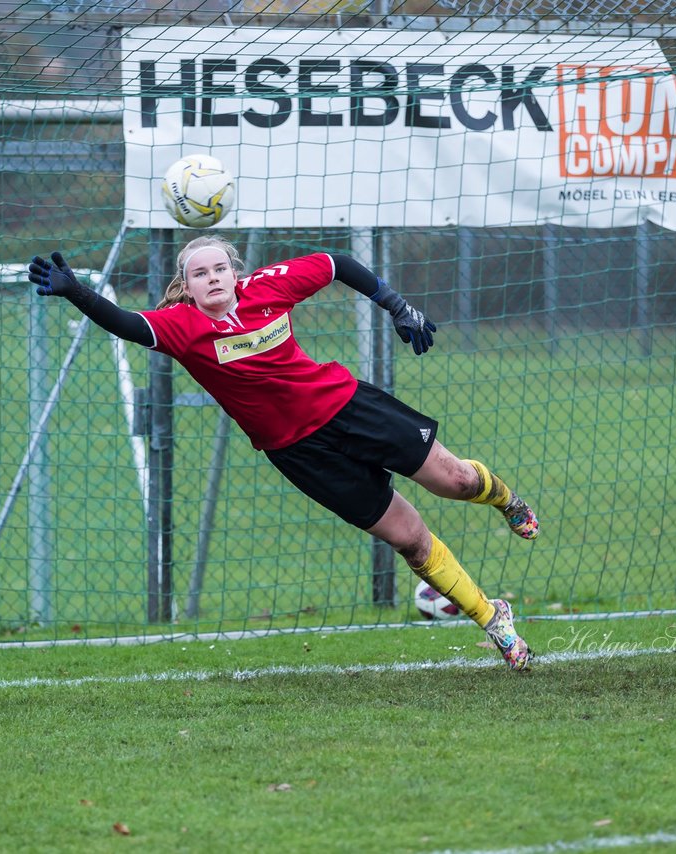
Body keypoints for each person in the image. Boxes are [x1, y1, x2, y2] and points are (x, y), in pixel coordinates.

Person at [27, 237, 541, 672]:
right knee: (409, 540)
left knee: (456, 482)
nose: (212, 278)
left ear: (235, 272)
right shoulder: (182, 327)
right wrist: (76, 292)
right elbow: (126, 323)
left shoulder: (267, 288)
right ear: (186, 286)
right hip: (299, 453)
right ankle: (492, 617)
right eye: (199, 273)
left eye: (220, 268)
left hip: (348, 407)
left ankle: (505, 499)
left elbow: (336, 264)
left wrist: (396, 305)